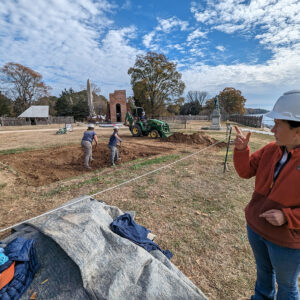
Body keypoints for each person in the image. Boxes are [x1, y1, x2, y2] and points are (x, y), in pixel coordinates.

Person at [233, 90, 300, 300]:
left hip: (286, 241)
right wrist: (242, 150)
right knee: (263, 276)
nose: (272, 130)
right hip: (256, 230)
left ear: (297, 131)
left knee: (287, 287)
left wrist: (286, 217)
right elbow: (245, 172)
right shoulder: (271, 149)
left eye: (278, 124)